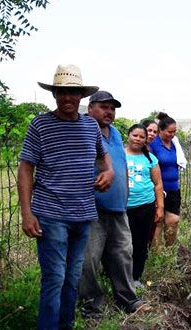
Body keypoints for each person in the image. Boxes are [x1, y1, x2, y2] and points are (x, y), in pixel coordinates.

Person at [18, 64, 113, 330]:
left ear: (82, 96)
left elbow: (104, 158)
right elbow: (25, 169)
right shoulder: (40, 125)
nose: (67, 98)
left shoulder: (90, 126)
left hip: (83, 215)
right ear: (55, 94)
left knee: (72, 279)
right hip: (51, 214)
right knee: (55, 278)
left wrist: (108, 173)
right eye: (62, 92)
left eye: (73, 93)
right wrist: (27, 212)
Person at [78, 91, 142, 318]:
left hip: (118, 209)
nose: (109, 112)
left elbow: (120, 165)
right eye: (104, 107)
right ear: (90, 108)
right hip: (93, 209)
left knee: (124, 255)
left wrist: (124, 198)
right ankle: (91, 306)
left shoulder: (115, 134)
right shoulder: (83, 130)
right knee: (89, 260)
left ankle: (128, 299)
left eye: (112, 108)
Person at [125, 124, 165, 284]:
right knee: (120, 243)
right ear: (128, 135)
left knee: (140, 242)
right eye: (135, 135)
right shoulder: (119, 155)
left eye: (141, 137)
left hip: (145, 206)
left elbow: (158, 184)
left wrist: (160, 207)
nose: (138, 139)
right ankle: (114, 275)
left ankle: (135, 277)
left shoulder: (150, 158)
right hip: (122, 207)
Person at [150, 112, 183, 246]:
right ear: (161, 130)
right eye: (169, 132)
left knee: (173, 220)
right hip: (159, 190)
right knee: (158, 221)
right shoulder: (154, 144)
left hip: (174, 189)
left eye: (174, 132)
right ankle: (156, 254)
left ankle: (170, 249)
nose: (172, 135)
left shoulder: (175, 144)